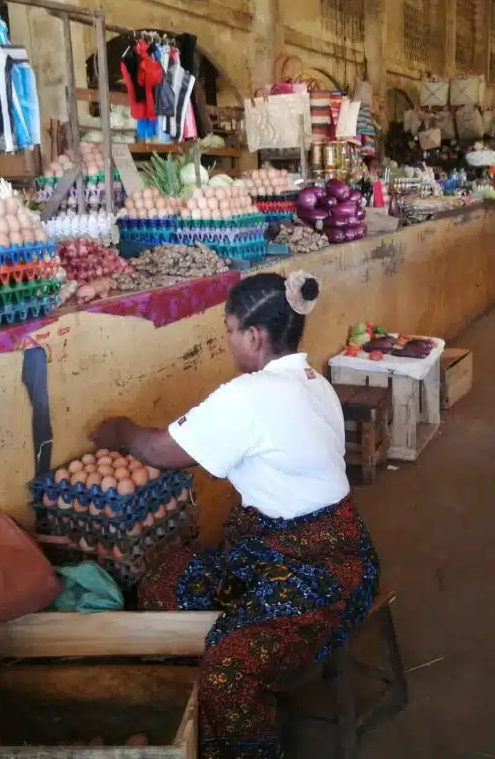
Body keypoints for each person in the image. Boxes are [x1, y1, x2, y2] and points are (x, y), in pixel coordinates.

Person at [90, 271, 380, 759]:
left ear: (254, 335)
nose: (226, 342)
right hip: (284, 545)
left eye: (228, 330)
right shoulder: (312, 381)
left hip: (325, 570)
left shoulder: (250, 396)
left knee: (230, 666)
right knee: (163, 586)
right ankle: (189, 715)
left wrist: (119, 429)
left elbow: (159, 450)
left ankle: (241, 739)